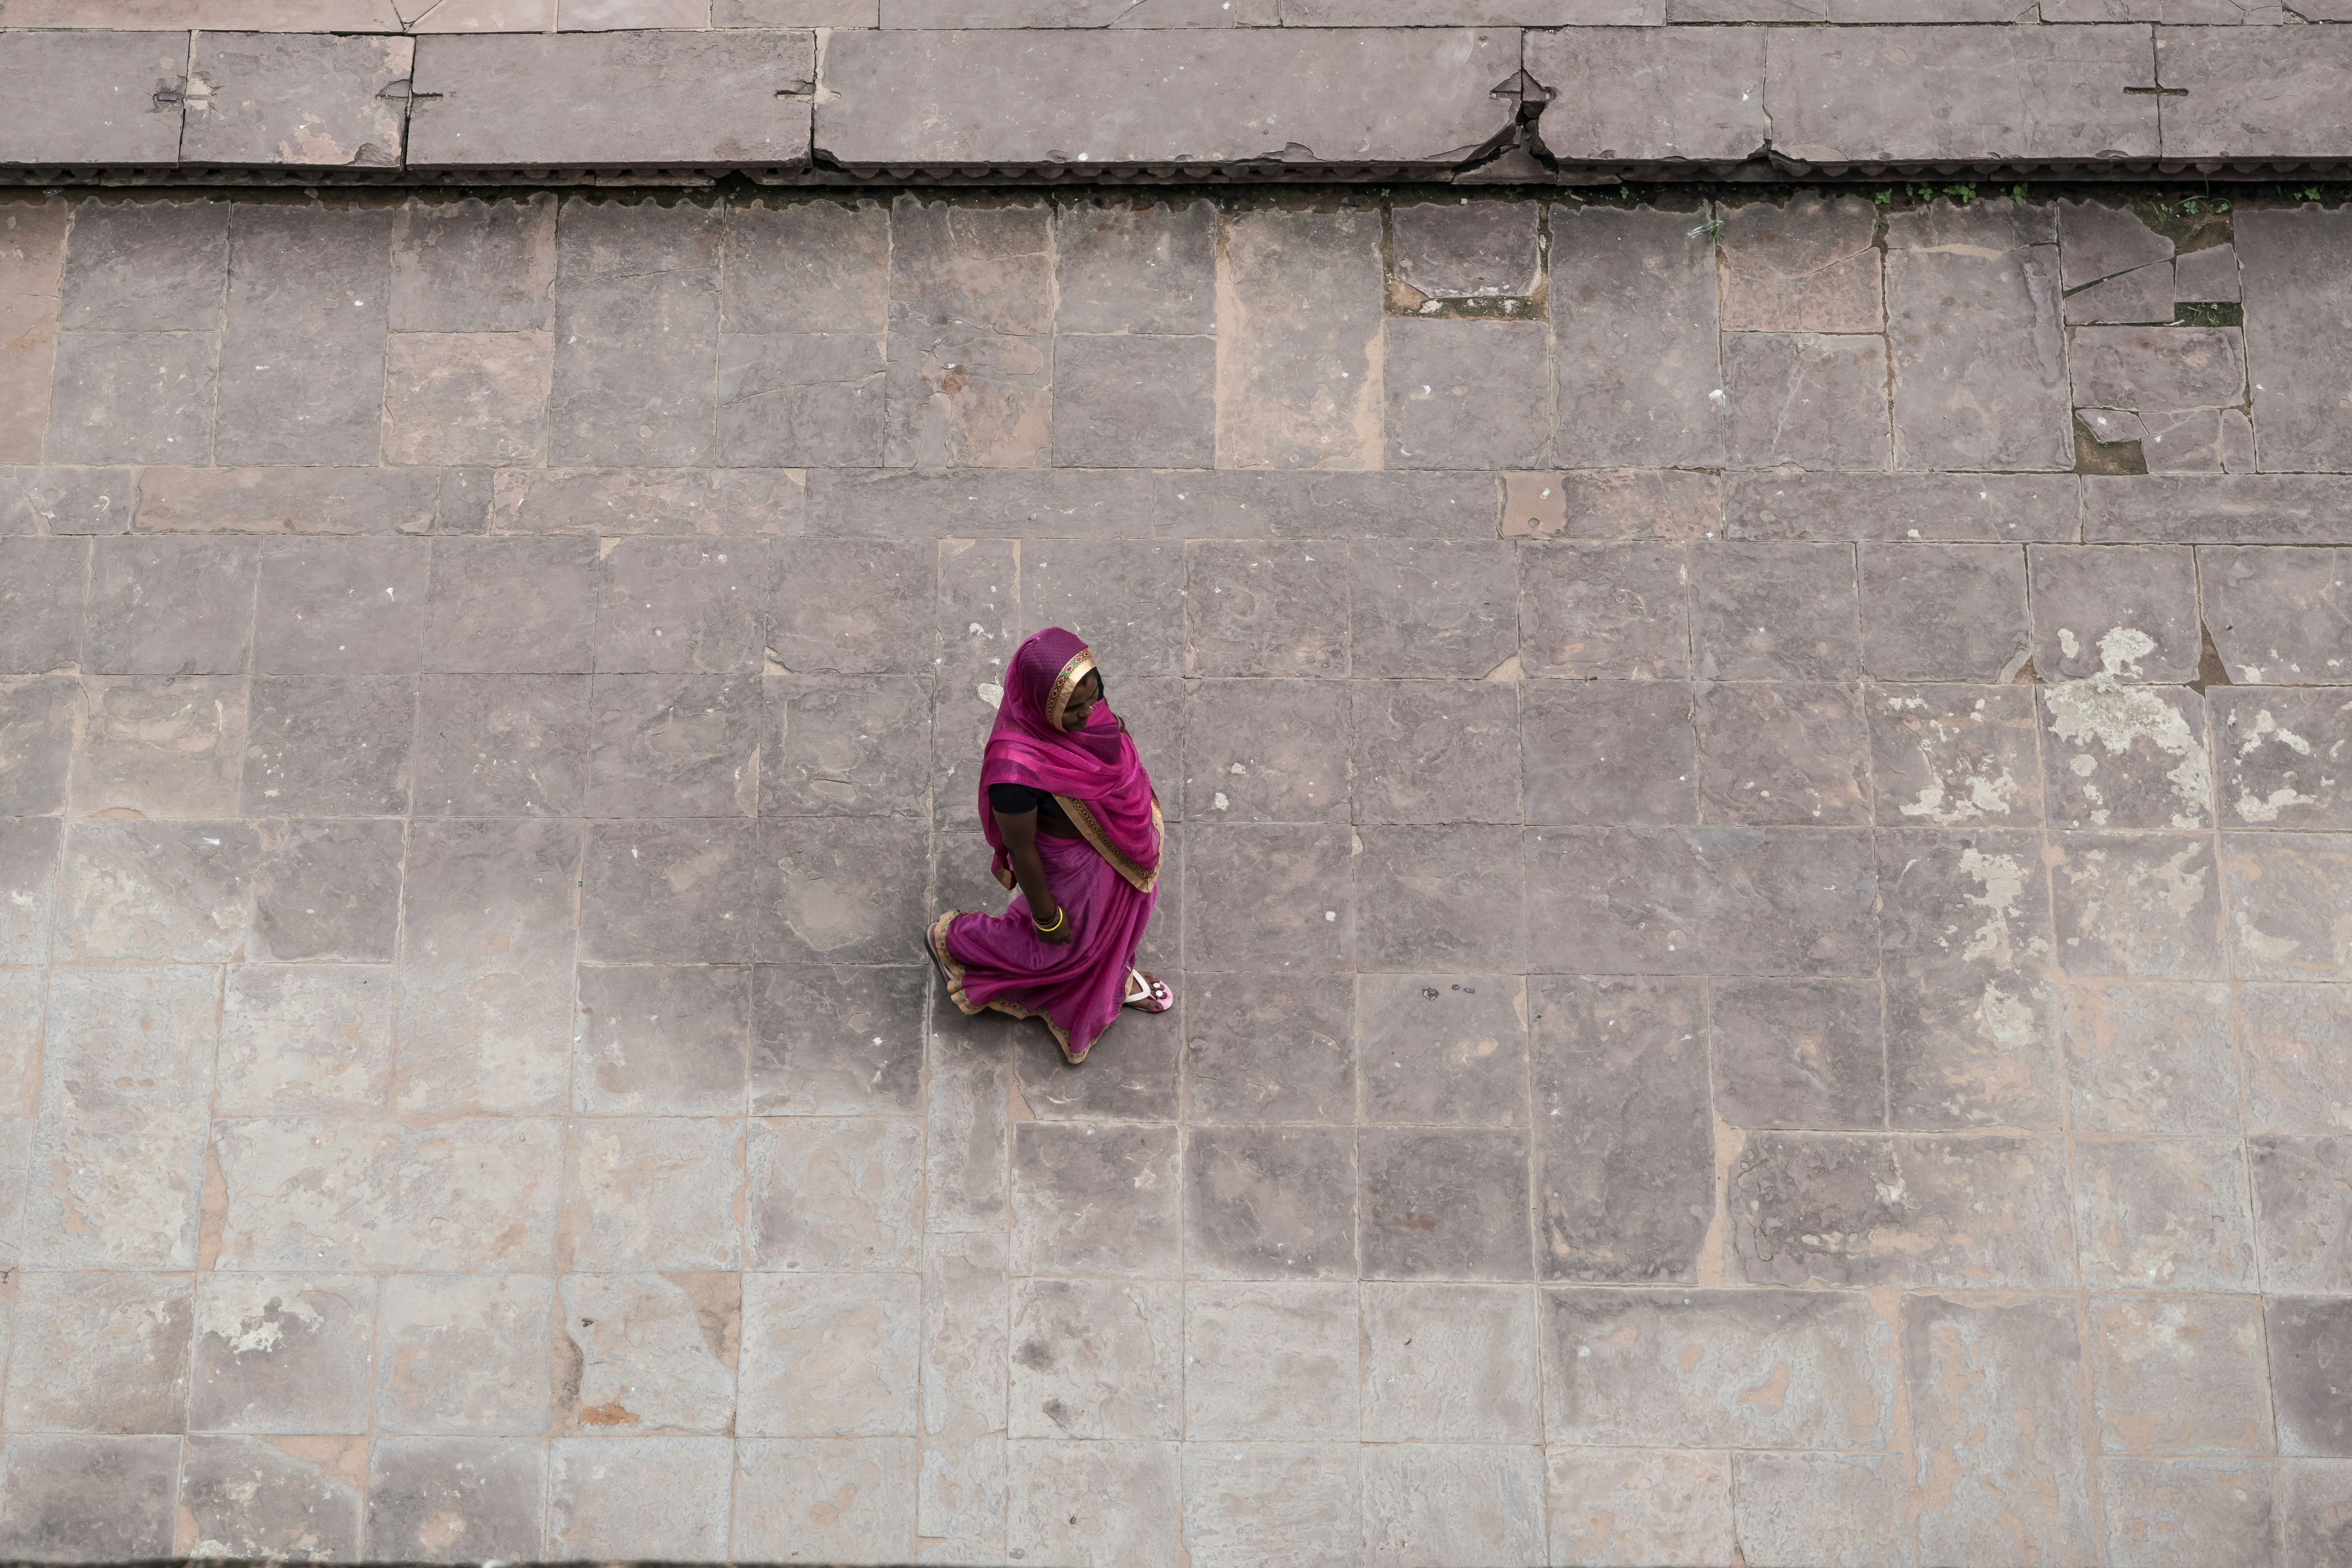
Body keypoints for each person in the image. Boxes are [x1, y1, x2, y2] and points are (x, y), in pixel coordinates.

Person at [927, 626, 1172, 1065]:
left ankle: (1112, 974)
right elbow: (1023, 853)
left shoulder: (1089, 706)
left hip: (1122, 846)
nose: (1087, 714)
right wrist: (1046, 918)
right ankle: (956, 940)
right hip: (1070, 868)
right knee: (1064, 948)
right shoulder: (1014, 773)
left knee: (1114, 929)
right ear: (1042, 706)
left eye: (1093, 698)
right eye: (1072, 709)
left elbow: (1109, 735)